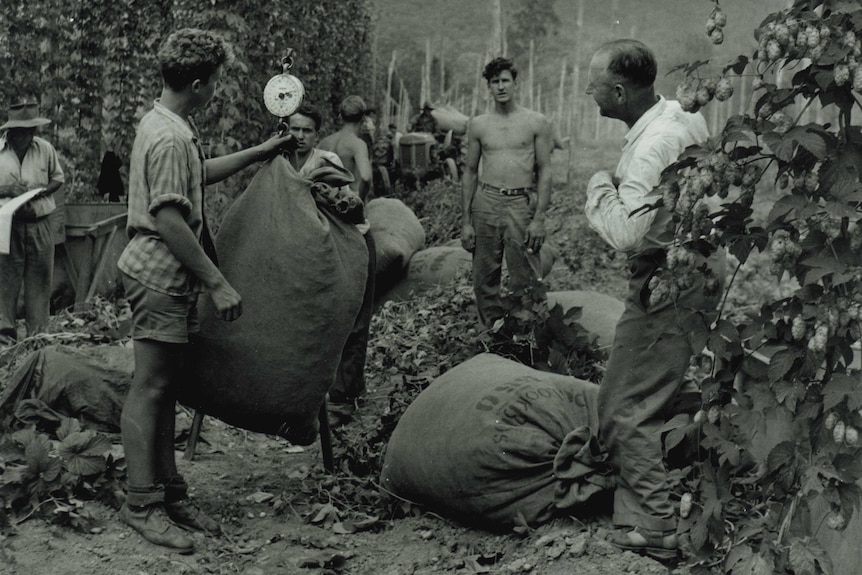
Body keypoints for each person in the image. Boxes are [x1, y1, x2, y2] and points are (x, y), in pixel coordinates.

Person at [117, 28, 294, 553]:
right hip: (158, 275)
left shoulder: (170, 124)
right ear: (197, 84)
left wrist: (261, 150)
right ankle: (141, 503)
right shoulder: (170, 136)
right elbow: (170, 219)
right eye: (214, 83)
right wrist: (217, 283)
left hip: (167, 277)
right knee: (149, 388)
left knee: (166, 388)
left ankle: (169, 493)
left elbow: (194, 177)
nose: (216, 91)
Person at [583, 39, 721, 559]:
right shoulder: (680, 114)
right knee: (653, 387)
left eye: (594, 83)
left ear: (618, 92)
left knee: (623, 406)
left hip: (670, 279)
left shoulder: (648, 148)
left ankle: (658, 526)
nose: (588, 91)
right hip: (699, 265)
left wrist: (599, 186)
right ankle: (688, 477)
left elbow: (628, 235)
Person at [460, 56, 553, 327]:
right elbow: (469, 171)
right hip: (485, 202)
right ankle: (493, 336)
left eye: (505, 81)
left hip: (519, 204)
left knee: (525, 276)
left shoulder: (536, 122)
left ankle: (526, 338)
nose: (500, 87)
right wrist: (466, 220)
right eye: (494, 82)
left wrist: (539, 217)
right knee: (484, 278)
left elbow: (545, 170)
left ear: (515, 84)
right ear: (488, 87)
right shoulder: (478, 125)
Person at [302, 102, 376, 423]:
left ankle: (346, 388)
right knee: (357, 315)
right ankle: (344, 395)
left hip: (321, 229)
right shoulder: (356, 144)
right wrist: (357, 202)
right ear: (362, 120)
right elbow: (367, 175)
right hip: (348, 231)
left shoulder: (325, 144)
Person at [0, 95, 65, 345]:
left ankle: (38, 340)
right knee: (6, 282)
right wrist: (7, 190)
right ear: (11, 131)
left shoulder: (45, 149)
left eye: (31, 130)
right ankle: (5, 341)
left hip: (40, 224)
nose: (28, 134)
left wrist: (42, 189)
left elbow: (57, 178)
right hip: (8, 226)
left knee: (40, 281)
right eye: (22, 131)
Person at [318, 95, 373, 201]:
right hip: (346, 204)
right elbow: (366, 177)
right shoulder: (358, 144)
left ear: (341, 116)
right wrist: (360, 200)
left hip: (324, 202)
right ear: (363, 118)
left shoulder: (325, 141)